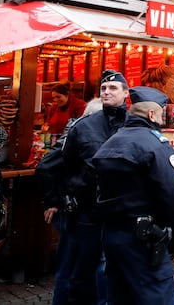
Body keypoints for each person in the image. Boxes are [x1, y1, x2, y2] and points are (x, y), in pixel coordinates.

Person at [92, 86, 174, 304]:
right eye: (160, 114)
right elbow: (173, 194)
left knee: (120, 295)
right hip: (145, 237)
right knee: (156, 296)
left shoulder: (111, 142)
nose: (162, 119)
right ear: (151, 114)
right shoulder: (156, 145)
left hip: (112, 234)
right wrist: (169, 230)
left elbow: (98, 187)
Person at [61, 69, 129, 304]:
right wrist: (76, 190)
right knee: (84, 268)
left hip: (123, 211)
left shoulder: (135, 125)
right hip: (88, 210)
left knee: (119, 267)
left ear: (126, 93)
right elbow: (67, 165)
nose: (107, 92)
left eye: (113, 88)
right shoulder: (84, 126)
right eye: (103, 88)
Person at [37, 98, 102, 305]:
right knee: (69, 265)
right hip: (72, 211)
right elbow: (45, 167)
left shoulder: (91, 137)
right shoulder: (76, 137)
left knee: (81, 266)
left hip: (84, 212)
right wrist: (54, 201)